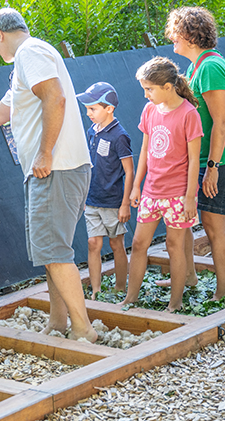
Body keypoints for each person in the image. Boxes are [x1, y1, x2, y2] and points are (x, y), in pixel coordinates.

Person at [0, 8, 98, 342]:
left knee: (53, 251)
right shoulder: (29, 60)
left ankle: (84, 330)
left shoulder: (30, 53)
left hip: (56, 167)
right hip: (58, 168)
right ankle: (57, 323)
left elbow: (55, 98)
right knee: (50, 251)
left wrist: (44, 152)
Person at [167, 6, 225, 300]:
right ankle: (189, 278)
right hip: (202, 159)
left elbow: (222, 122)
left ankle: (223, 292)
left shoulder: (211, 67)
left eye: (175, 32)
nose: (171, 38)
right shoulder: (196, 66)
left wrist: (212, 166)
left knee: (214, 225)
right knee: (187, 219)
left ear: (189, 35)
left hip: (221, 159)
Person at [121, 57, 203, 313]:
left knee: (173, 245)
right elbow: (145, 151)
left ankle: (175, 303)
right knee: (138, 244)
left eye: (149, 89)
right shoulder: (149, 111)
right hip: (151, 192)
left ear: (168, 87)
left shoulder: (189, 114)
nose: (146, 95)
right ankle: (130, 299)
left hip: (177, 195)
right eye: (144, 89)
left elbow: (193, 161)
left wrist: (191, 197)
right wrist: (136, 186)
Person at [75, 82, 134, 300]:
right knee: (93, 243)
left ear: (109, 108)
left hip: (113, 202)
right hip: (91, 199)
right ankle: (96, 291)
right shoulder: (92, 131)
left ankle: (120, 288)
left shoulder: (120, 136)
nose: (88, 113)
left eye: (93, 109)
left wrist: (125, 203)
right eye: (87, 109)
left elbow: (129, 170)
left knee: (116, 243)